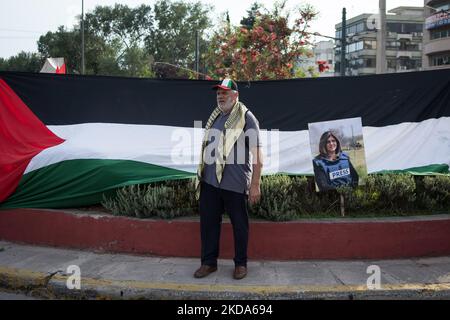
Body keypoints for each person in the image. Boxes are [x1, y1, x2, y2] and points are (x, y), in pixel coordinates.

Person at [194, 78, 263, 280]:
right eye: (218, 93)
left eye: (225, 92)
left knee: (239, 225)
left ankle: (241, 264)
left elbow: (258, 154)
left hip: (235, 182)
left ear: (235, 95)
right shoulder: (215, 117)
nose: (220, 96)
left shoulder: (247, 118)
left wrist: (255, 185)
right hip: (210, 182)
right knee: (208, 224)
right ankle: (208, 263)